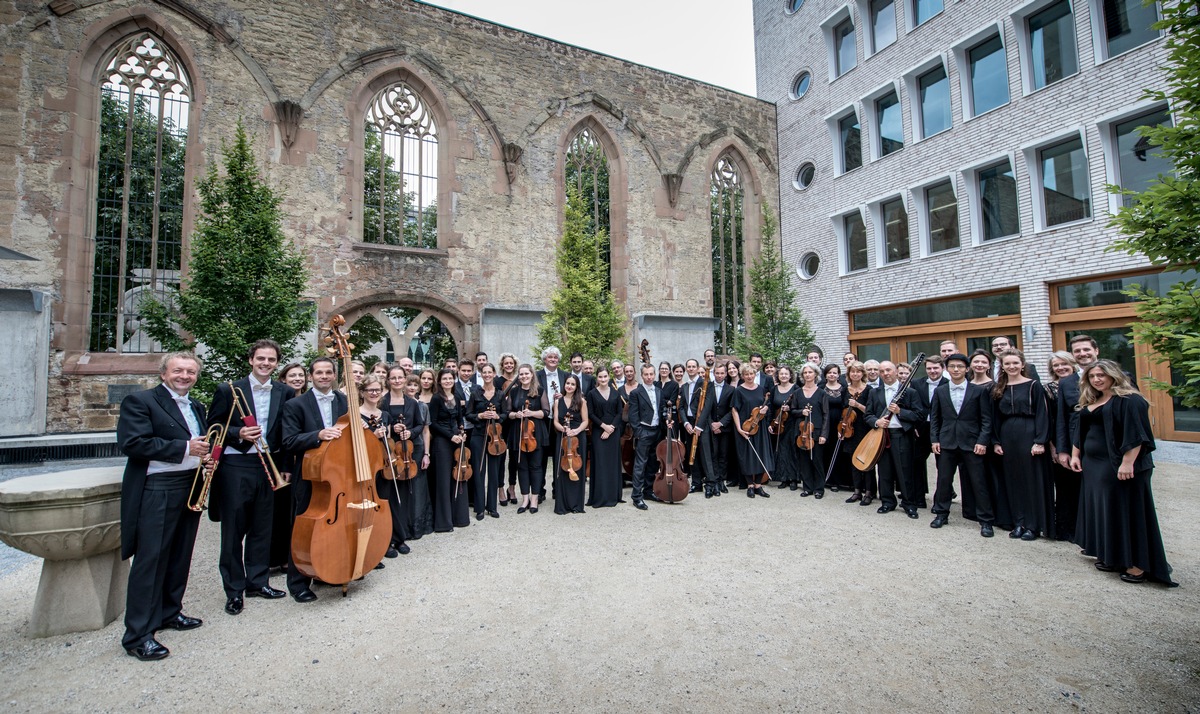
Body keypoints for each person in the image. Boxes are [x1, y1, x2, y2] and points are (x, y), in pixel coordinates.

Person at [117, 352, 212, 661]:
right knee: (151, 559)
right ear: (163, 373)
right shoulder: (141, 401)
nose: (184, 376)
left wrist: (205, 458)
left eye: (190, 371)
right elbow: (132, 443)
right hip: (158, 488)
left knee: (180, 554)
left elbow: (200, 444)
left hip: (190, 483)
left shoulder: (196, 405)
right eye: (178, 370)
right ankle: (138, 634)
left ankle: (170, 612)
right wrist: (186, 448)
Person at [206, 339, 292, 617]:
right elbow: (214, 425)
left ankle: (257, 582)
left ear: (277, 362)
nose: (266, 363)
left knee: (262, 527)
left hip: (268, 464)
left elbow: (286, 433)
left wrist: (285, 465)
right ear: (251, 360)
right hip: (236, 464)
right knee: (233, 530)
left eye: (271, 360)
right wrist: (237, 434)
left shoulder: (285, 391)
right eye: (261, 359)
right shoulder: (229, 390)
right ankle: (233, 590)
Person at [1071, 360, 1175, 586]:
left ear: (1113, 375)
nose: (1097, 379)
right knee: (1105, 511)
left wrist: (1128, 463)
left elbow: (1136, 433)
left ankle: (1137, 564)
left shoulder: (1130, 400)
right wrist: (1076, 455)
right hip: (1094, 465)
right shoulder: (1093, 398)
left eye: (1101, 375)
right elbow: (1081, 430)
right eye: (1092, 376)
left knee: (1127, 512)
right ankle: (1113, 556)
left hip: (1119, 465)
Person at [281, 357, 347, 603]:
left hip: (339, 474)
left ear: (334, 375)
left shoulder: (344, 400)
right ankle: (298, 583)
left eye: (328, 372)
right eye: (318, 372)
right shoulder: (296, 404)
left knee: (337, 524)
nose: (324, 376)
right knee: (304, 527)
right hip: (310, 473)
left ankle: (328, 571)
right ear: (310, 376)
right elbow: (288, 441)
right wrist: (318, 434)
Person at [928, 353, 995, 537]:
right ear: (947, 369)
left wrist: (982, 441)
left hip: (972, 443)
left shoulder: (978, 391)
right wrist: (934, 439)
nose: (956, 369)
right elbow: (935, 418)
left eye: (959, 366)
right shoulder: (940, 391)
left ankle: (986, 520)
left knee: (978, 481)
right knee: (943, 481)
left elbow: (986, 420)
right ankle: (941, 514)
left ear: (967, 369)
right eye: (952, 366)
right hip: (947, 442)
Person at [992, 348, 1053, 541]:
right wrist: (996, 441)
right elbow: (995, 418)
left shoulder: (1034, 385)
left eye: (1015, 363)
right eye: (1007, 363)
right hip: (1007, 434)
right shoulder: (998, 387)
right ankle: (1018, 522)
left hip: (1029, 432)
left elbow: (1043, 414)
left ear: (1022, 364)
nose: (1011, 366)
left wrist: (1040, 441)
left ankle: (1033, 525)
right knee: (1012, 480)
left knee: (1030, 481)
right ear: (1002, 366)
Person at [866, 361, 925, 519]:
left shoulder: (910, 392)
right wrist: (876, 422)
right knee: (884, 470)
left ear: (896, 372)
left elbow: (919, 416)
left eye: (888, 370)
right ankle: (887, 501)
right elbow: (868, 415)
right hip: (882, 435)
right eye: (882, 371)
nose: (885, 373)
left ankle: (908, 503)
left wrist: (900, 412)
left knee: (904, 470)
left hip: (901, 435)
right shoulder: (874, 392)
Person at [381, 365, 424, 555]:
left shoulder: (412, 402)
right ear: (388, 380)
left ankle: (400, 537)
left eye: (400, 378)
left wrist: (409, 432)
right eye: (393, 378)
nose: (397, 381)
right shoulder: (383, 401)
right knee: (388, 496)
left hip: (406, 452)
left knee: (404, 496)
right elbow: (380, 422)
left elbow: (419, 425)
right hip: (388, 452)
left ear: (405, 379)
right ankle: (387, 538)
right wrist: (392, 427)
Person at [428, 368, 471, 532]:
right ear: (439, 381)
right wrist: (450, 436)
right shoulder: (436, 399)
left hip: (456, 440)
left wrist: (462, 433)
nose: (447, 381)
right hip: (442, 442)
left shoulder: (458, 396)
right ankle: (444, 522)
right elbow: (433, 423)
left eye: (450, 378)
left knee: (458, 477)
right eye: (444, 378)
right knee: (444, 481)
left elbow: (460, 419)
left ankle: (459, 517)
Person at [1045, 350, 1080, 540]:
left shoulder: (1084, 385)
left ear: (1072, 364)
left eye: (1063, 364)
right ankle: (1066, 529)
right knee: (1064, 488)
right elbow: (1050, 420)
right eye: (1056, 365)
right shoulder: (1049, 389)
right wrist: (1054, 448)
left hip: (1081, 441)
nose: (1060, 368)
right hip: (1059, 443)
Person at [504, 364, 549, 513]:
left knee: (535, 466)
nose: (524, 376)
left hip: (535, 432)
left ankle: (535, 499)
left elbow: (545, 412)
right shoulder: (514, 391)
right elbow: (508, 412)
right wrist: (516, 414)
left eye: (526, 374)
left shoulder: (540, 391)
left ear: (531, 375)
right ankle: (525, 499)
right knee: (521, 466)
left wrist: (531, 413)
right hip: (518, 431)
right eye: (521, 374)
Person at [468, 363, 504, 520]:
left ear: (494, 374)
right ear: (481, 374)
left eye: (490, 372)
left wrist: (497, 417)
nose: (487, 375)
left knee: (494, 471)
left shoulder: (501, 394)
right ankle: (479, 507)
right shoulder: (475, 393)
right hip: (478, 435)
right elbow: (468, 413)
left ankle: (492, 506)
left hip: (495, 437)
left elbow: (506, 414)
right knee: (479, 470)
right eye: (485, 372)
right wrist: (480, 416)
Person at [628, 363, 667, 509]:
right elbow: (633, 416)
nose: (649, 377)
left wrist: (667, 421)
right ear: (642, 375)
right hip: (644, 431)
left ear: (655, 374)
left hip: (657, 431)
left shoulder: (659, 391)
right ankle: (636, 496)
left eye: (651, 374)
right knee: (640, 464)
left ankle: (648, 491)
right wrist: (640, 433)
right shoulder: (636, 393)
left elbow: (661, 410)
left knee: (653, 463)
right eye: (646, 374)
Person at [911, 355, 947, 507]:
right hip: (921, 428)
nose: (932, 371)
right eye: (929, 368)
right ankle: (919, 498)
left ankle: (940, 499)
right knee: (917, 463)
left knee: (943, 466)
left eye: (935, 368)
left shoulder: (949, 384)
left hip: (942, 429)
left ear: (942, 368)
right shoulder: (916, 383)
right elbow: (910, 406)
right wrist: (913, 426)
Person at [732, 364, 773, 498]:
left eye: (751, 374)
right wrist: (739, 428)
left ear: (755, 374)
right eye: (746, 374)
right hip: (746, 427)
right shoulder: (738, 390)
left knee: (761, 454)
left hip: (759, 427)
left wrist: (765, 409)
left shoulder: (761, 389)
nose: (749, 377)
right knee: (747, 456)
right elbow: (734, 410)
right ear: (742, 376)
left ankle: (758, 486)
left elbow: (765, 406)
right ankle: (750, 485)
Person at [586, 367, 624, 507]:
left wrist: (611, 428)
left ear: (609, 377)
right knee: (600, 463)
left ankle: (613, 495)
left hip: (613, 432)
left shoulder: (616, 392)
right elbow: (591, 414)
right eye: (600, 377)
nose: (603, 379)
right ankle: (600, 496)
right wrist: (604, 427)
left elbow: (619, 413)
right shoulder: (591, 393)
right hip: (598, 432)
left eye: (605, 376)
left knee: (612, 463)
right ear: (597, 378)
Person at [552, 374, 590, 514]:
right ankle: (562, 505)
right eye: (567, 383)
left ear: (576, 386)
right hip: (562, 437)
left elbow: (585, 421)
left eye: (573, 384)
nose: (569, 386)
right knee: (562, 469)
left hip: (577, 438)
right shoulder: (558, 401)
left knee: (577, 467)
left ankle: (576, 505)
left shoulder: (581, 401)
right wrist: (562, 428)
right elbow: (556, 420)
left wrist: (576, 430)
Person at [840, 361, 875, 505]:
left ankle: (869, 492)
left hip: (865, 429)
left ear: (863, 374)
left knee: (866, 461)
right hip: (850, 429)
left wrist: (858, 405)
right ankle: (857, 491)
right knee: (853, 461)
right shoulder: (845, 390)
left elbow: (871, 411)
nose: (855, 374)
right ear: (849, 374)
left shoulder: (869, 390)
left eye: (858, 371)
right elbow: (843, 411)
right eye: (852, 372)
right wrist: (841, 429)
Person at [792, 364, 829, 497]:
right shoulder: (797, 392)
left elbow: (826, 414)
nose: (807, 375)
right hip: (802, 432)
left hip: (817, 431)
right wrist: (802, 411)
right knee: (804, 461)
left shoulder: (822, 393)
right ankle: (807, 487)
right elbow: (792, 411)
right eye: (805, 373)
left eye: (810, 372)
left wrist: (824, 434)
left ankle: (819, 489)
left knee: (817, 460)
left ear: (815, 374)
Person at [407, 374, 434, 538]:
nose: (411, 388)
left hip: (418, 448)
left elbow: (425, 431)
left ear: (418, 388)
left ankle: (419, 526)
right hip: (402, 450)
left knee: (419, 488)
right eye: (409, 384)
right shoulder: (401, 404)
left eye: (414, 385)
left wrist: (426, 453)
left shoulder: (423, 406)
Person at [769, 365, 800, 490]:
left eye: (786, 374)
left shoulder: (796, 388)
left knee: (792, 451)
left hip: (791, 423)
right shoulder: (774, 389)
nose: (784, 376)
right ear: (778, 376)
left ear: (790, 375)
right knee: (781, 451)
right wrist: (770, 424)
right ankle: (783, 478)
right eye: (781, 374)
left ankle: (793, 479)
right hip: (778, 423)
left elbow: (798, 406)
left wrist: (790, 408)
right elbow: (771, 408)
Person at [821, 363, 851, 492]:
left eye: (834, 372)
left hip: (839, 422)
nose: (832, 375)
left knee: (839, 452)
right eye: (829, 372)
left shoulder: (844, 388)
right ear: (825, 375)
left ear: (839, 374)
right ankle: (829, 480)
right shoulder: (820, 388)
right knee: (826, 451)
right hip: (825, 422)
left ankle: (841, 481)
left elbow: (846, 407)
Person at [707, 362, 734, 494]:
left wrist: (721, 424)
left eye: (722, 373)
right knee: (714, 454)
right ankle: (714, 480)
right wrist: (712, 424)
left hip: (725, 428)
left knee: (724, 455)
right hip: (710, 427)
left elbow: (732, 410)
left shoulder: (731, 389)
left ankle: (722, 481)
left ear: (725, 374)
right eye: (717, 373)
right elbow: (705, 409)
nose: (719, 375)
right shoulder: (707, 387)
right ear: (713, 373)